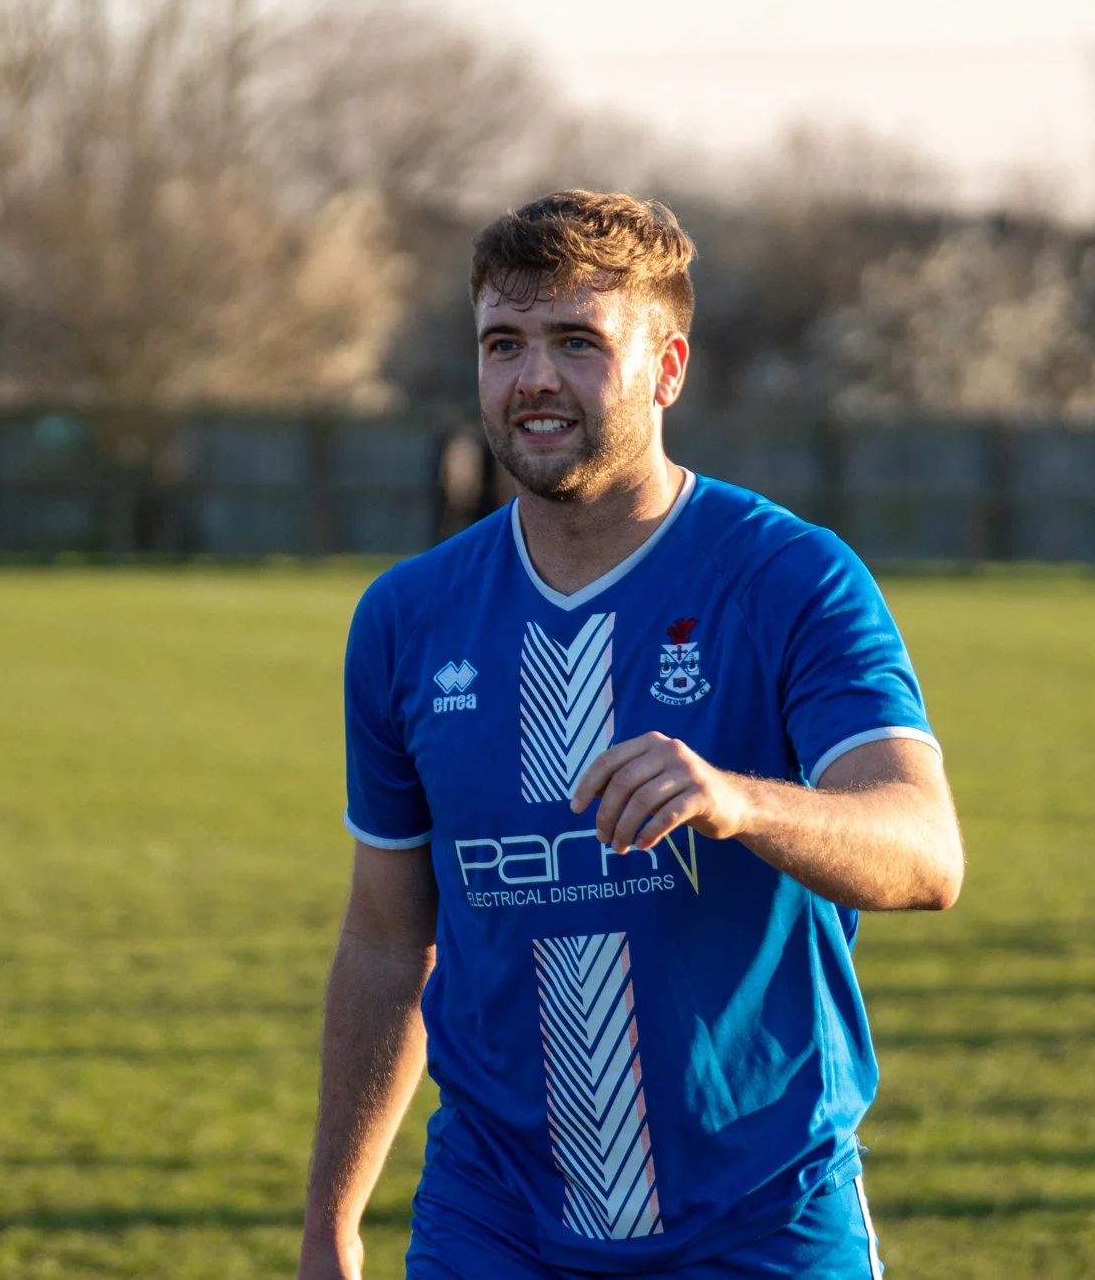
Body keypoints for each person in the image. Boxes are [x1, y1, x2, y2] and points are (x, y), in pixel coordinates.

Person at [300, 192, 964, 1279]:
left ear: (667, 368)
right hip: (494, 1220)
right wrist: (331, 1224)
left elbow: (926, 852)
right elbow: (385, 939)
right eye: (503, 344)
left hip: (761, 1218)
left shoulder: (790, 578)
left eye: (578, 341)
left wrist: (739, 802)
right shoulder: (406, 619)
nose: (533, 378)